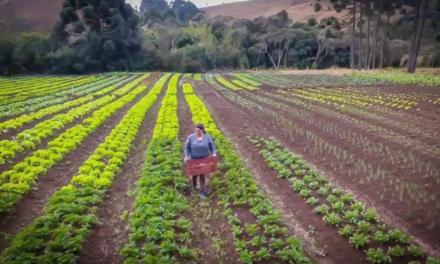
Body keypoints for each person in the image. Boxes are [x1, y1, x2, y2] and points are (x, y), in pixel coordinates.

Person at [184, 123, 217, 199]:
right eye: (195, 131)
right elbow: (186, 148)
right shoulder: (191, 137)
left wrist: (214, 153)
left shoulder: (207, 137)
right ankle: (194, 187)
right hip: (194, 160)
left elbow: (212, 147)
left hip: (204, 160)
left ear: (202, 130)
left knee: (202, 176)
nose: (197, 132)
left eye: (198, 131)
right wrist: (186, 156)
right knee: (194, 175)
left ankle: (202, 192)